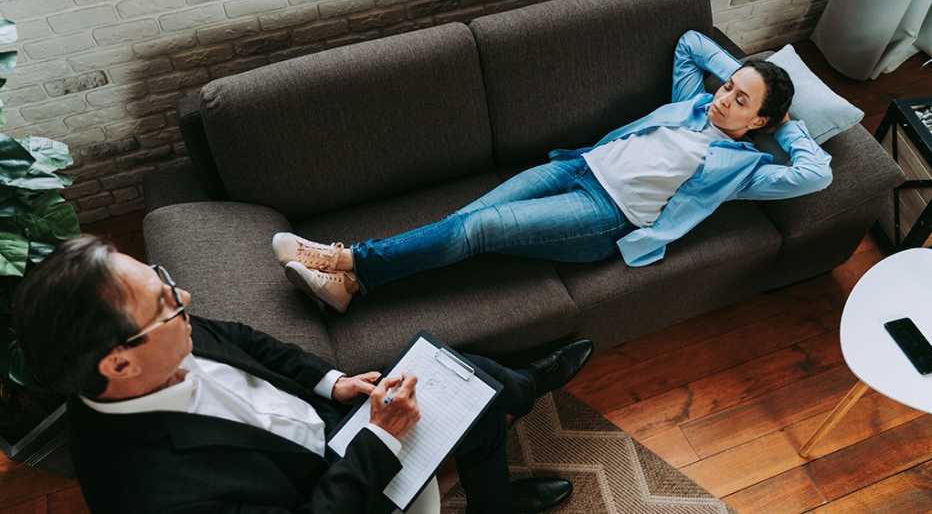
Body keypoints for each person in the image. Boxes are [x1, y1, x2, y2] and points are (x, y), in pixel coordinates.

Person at [13, 235, 595, 514]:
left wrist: (332, 382)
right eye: (166, 303)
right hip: (342, 488)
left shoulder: (159, 339)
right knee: (475, 389)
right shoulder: (156, 494)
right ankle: (526, 387)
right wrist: (380, 438)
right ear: (118, 363)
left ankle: (501, 476)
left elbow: (245, 340)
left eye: (164, 280)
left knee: (466, 382)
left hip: (336, 423)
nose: (184, 296)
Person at [271, 30, 833, 313]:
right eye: (729, 87)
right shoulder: (692, 101)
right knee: (470, 216)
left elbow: (816, 175)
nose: (724, 99)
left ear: (759, 119)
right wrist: (739, 72)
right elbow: (689, 43)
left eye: (740, 101)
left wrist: (784, 123)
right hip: (579, 167)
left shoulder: (745, 168)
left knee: (481, 231)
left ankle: (347, 260)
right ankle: (348, 288)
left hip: (603, 217)